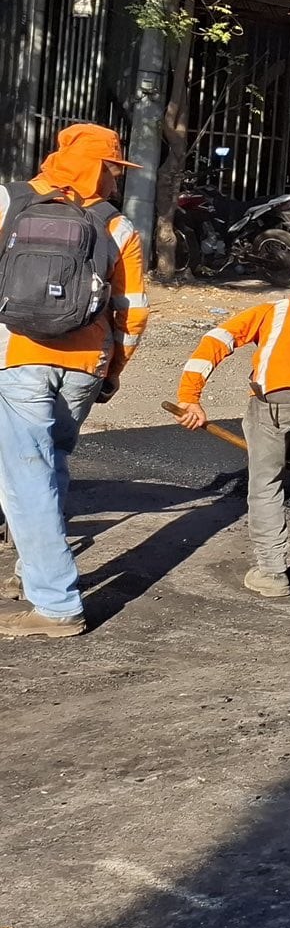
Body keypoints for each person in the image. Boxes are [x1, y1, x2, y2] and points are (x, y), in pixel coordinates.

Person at [0, 124, 148, 640]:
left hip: (20, 357)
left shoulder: (10, 201)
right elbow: (134, 313)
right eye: (114, 168)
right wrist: (112, 374)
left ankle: (57, 603)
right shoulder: (117, 226)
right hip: (86, 364)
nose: (115, 178)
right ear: (102, 167)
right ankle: (30, 574)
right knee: (51, 466)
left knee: (25, 480)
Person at [174, 288, 290, 596]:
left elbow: (217, 339)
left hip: (276, 398)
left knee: (265, 482)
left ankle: (272, 573)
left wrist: (189, 397)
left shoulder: (275, 310)